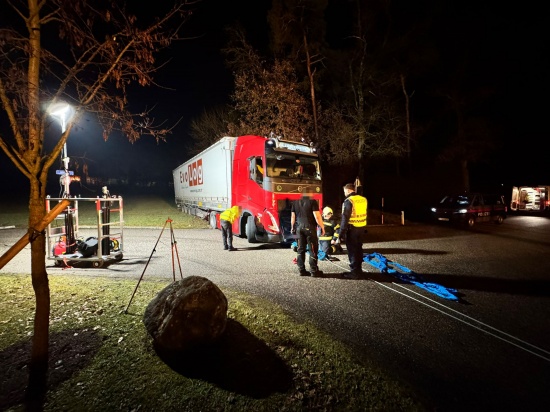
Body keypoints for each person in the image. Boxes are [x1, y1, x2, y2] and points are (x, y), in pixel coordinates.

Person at [291, 193, 325, 277]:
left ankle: (301, 270)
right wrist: (322, 227)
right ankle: (314, 271)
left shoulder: (295, 202)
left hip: (299, 228)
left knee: (300, 249)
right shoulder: (312, 202)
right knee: (312, 250)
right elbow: (317, 216)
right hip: (310, 228)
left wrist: (292, 227)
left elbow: (293, 217)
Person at [339, 183, 368, 279]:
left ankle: (354, 272)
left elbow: (345, 218)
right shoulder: (363, 199)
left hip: (352, 229)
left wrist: (341, 233)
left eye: (344, 192)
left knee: (352, 250)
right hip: (361, 228)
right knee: (359, 249)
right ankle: (358, 270)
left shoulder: (348, 201)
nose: (344, 194)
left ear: (348, 190)